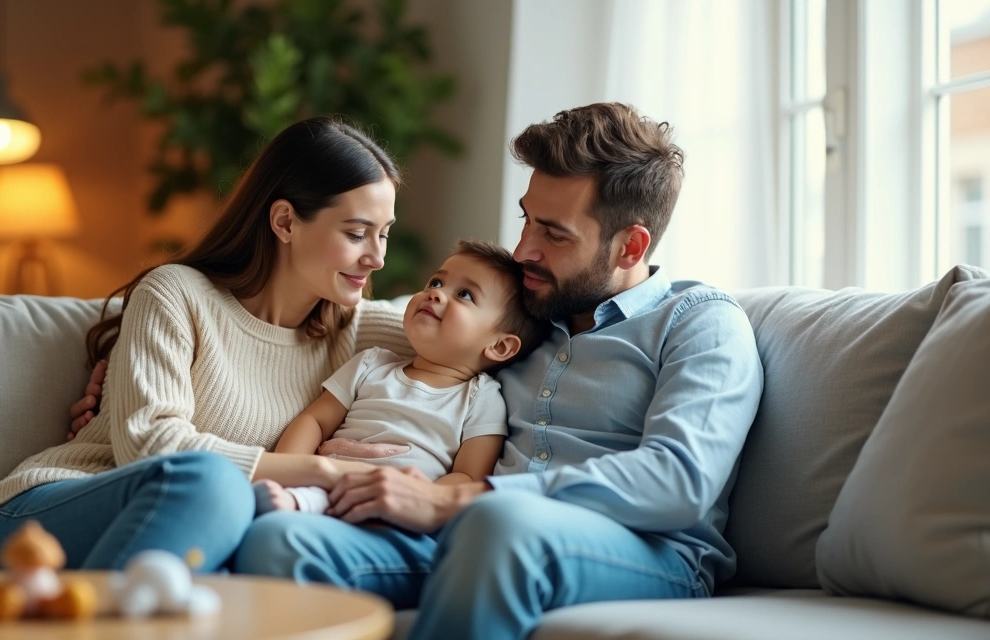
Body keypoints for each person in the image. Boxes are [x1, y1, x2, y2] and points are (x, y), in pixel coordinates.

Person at [70, 104, 764, 639]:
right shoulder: (526, 316)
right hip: (457, 536)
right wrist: (125, 350)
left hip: (639, 550)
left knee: (500, 526)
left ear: (631, 243)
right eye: (527, 220)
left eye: (554, 234)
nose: (523, 248)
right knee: (278, 538)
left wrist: (465, 498)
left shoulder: (700, 322)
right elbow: (401, 323)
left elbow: (678, 481)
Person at [0, 116, 415, 571]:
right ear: (285, 222)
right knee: (216, 484)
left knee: (262, 535)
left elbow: (477, 339)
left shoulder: (354, 331)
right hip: (42, 520)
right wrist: (321, 469)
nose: (377, 257)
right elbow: (150, 445)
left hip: (196, 535)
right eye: (356, 233)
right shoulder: (175, 294)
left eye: (384, 233)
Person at [255, 240, 549, 515]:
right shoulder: (371, 363)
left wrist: (416, 500)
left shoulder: (481, 397)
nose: (436, 293)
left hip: (399, 508)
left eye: (464, 294)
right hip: (326, 484)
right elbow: (314, 421)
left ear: (499, 346)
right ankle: (294, 503)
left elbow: (468, 476)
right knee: (296, 502)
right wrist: (290, 470)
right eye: (436, 282)